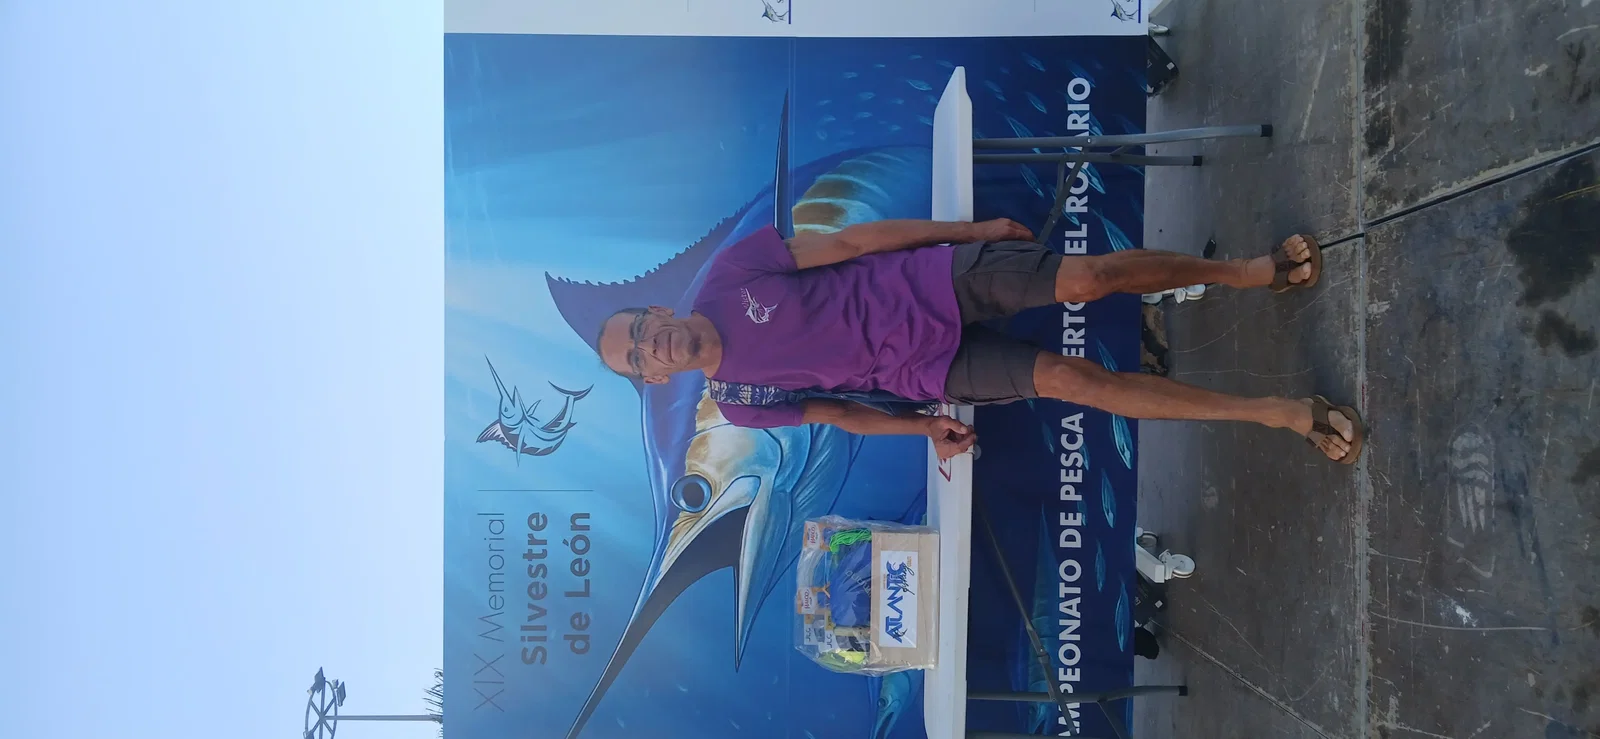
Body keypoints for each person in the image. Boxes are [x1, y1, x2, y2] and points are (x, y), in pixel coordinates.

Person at [594, 218, 1363, 464]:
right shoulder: (739, 401)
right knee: (1080, 383)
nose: (650, 347)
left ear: (656, 308)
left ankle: (1248, 271)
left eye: (640, 330)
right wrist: (923, 426)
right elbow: (840, 414)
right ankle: (1278, 413)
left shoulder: (731, 271)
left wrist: (969, 231)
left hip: (929, 283)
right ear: (652, 380)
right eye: (636, 358)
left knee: (1091, 277)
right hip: (924, 368)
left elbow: (857, 242)